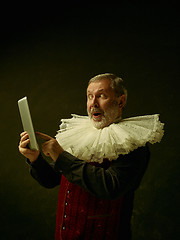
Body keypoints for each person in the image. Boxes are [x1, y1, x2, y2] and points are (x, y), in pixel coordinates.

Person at [19, 73, 164, 240]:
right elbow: (52, 180)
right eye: (89, 96)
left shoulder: (133, 144)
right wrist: (35, 159)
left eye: (102, 96)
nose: (93, 103)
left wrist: (61, 156)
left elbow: (111, 187)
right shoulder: (81, 137)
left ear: (121, 101)